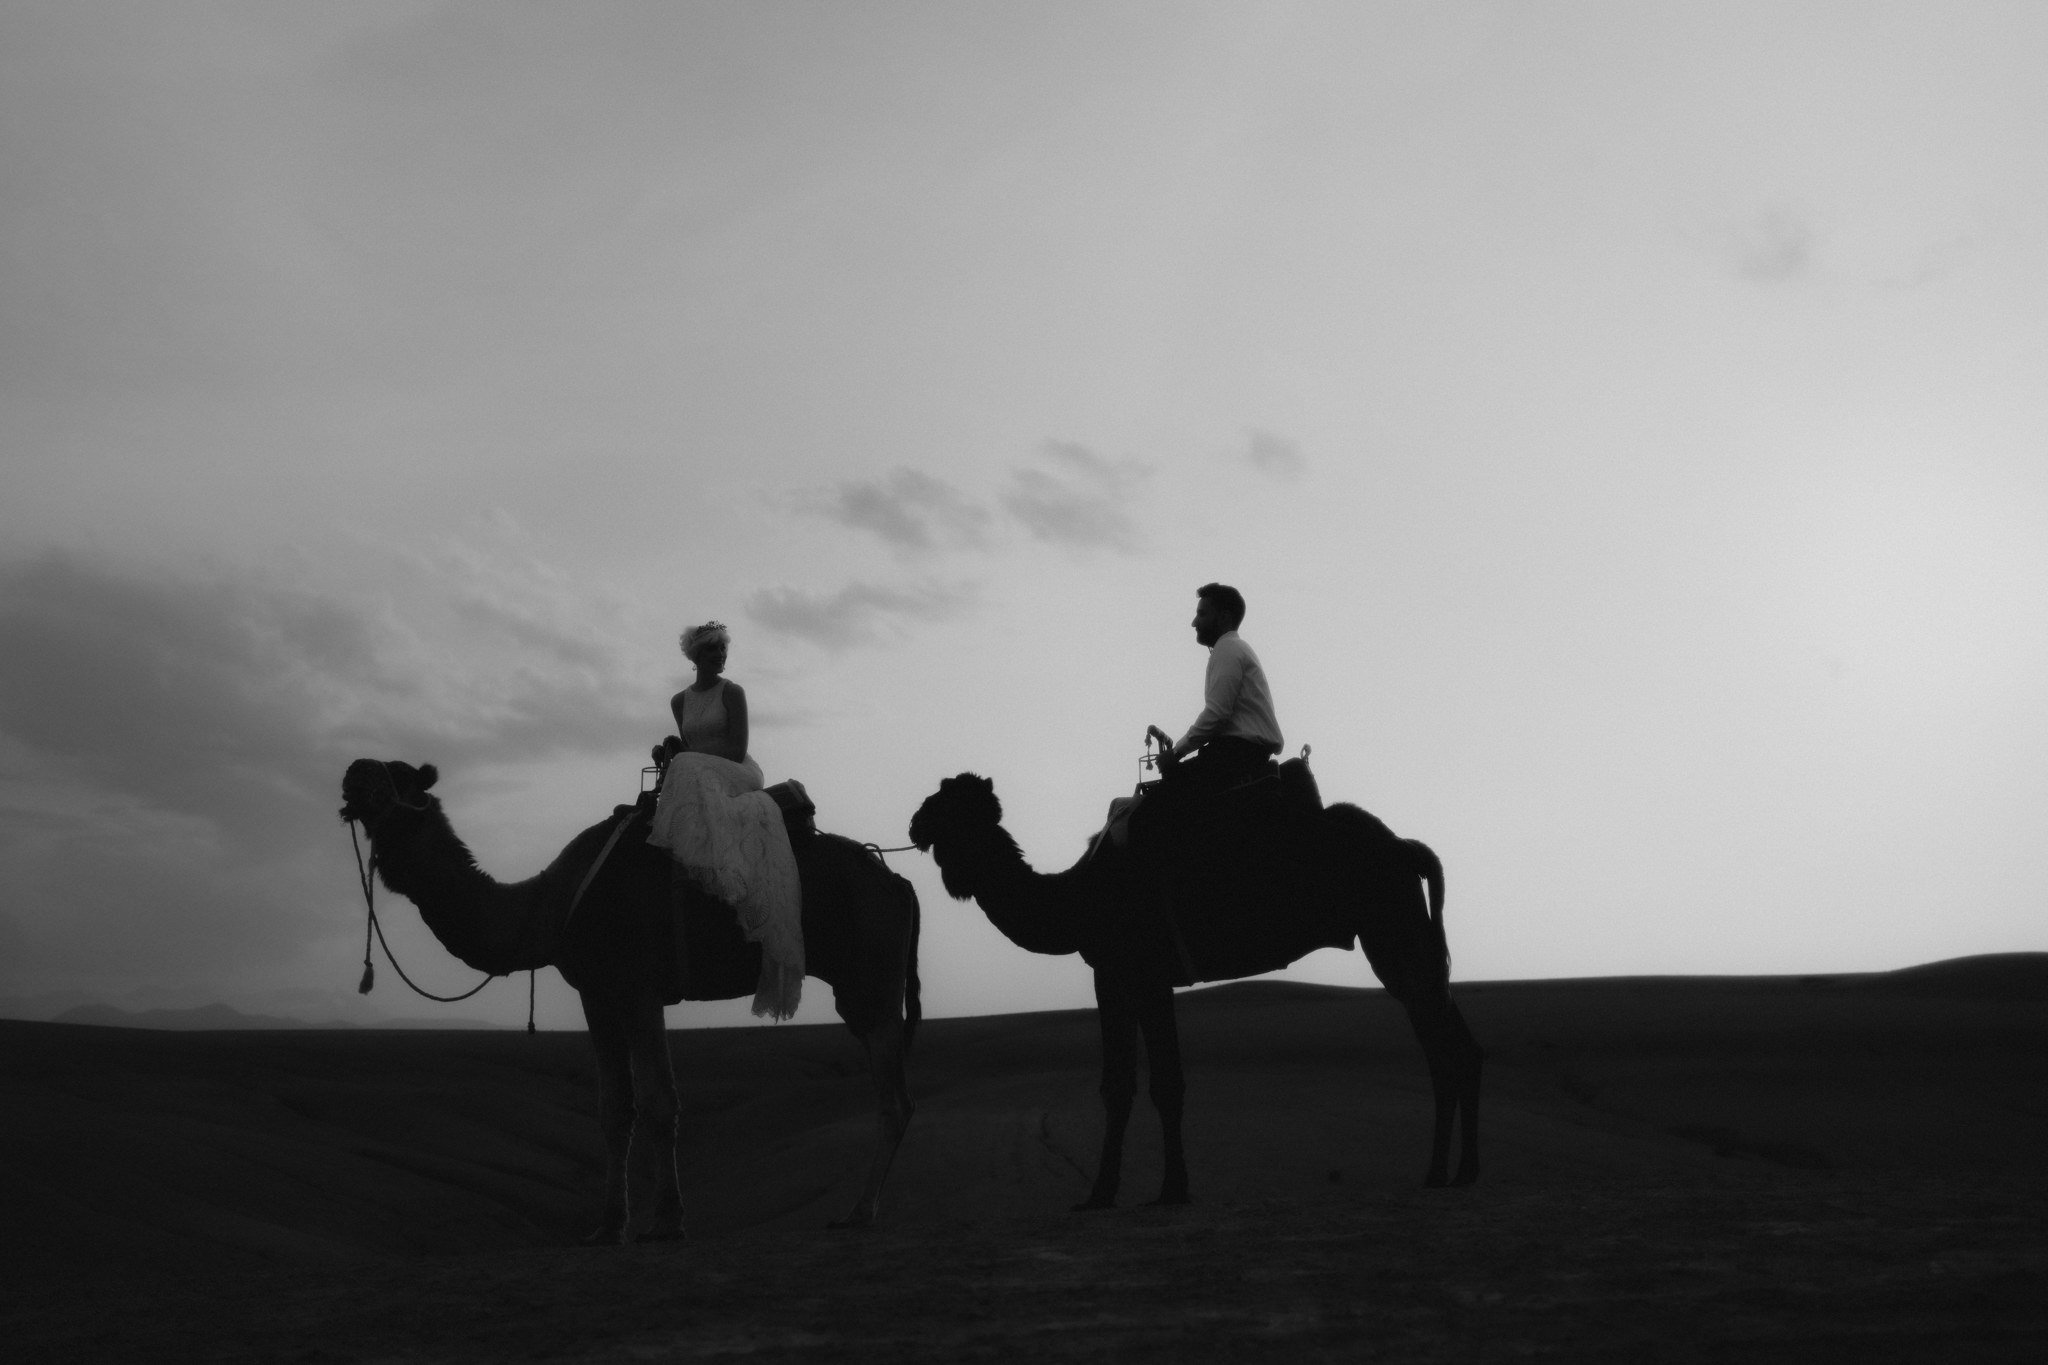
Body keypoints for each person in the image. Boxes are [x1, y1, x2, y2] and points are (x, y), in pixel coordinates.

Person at [646, 621, 803, 1019]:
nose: (720, 657)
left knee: (686, 768)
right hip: (698, 772)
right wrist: (675, 750)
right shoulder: (679, 702)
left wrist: (686, 756)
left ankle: (715, 869)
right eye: (713, 651)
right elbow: (688, 746)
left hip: (737, 771)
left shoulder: (732, 693)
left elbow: (736, 749)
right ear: (696, 657)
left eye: (723, 651)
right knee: (683, 768)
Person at [1148, 582, 1283, 793]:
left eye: (1202, 614)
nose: (1194, 623)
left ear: (1224, 617)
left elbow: (1217, 714)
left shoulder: (1227, 649)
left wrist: (1175, 754)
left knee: (1151, 809)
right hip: (1243, 755)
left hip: (1234, 757)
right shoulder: (1236, 648)